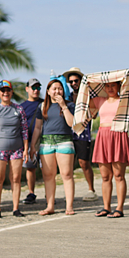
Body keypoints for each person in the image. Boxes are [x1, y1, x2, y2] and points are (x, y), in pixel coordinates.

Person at [72, 69, 129, 217]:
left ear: (119, 86)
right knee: (105, 177)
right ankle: (106, 207)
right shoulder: (100, 100)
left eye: (113, 85)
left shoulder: (124, 100)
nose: (110, 88)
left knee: (119, 175)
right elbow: (83, 96)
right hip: (103, 136)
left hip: (118, 136)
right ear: (103, 87)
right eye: (107, 86)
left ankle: (119, 208)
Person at [29, 79, 76, 215]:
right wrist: (33, 145)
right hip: (46, 143)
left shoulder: (70, 105)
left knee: (67, 174)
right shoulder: (42, 106)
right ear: (48, 92)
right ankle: (50, 206)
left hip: (64, 141)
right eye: (54, 89)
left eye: (59, 89)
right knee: (48, 175)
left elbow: (71, 123)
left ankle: (69, 206)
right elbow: (38, 127)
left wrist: (64, 106)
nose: (57, 91)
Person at [0, 80, 29, 218]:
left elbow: (24, 131)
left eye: (8, 90)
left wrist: (26, 149)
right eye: (2, 91)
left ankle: (16, 208)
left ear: (12, 92)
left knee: (16, 178)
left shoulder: (19, 109)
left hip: (16, 148)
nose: (5, 93)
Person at [63, 67, 98, 202]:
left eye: (75, 81)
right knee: (67, 164)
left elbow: (94, 114)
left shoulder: (89, 95)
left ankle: (91, 189)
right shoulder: (68, 97)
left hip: (83, 133)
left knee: (84, 162)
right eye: (70, 82)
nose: (73, 84)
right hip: (68, 133)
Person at [21, 78, 44, 205]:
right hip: (29, 141)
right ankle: (31, 192)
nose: (36, 90)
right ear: (27, 89)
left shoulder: (45, 103)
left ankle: (49, 193)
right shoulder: (22, 107)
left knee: (47, 168)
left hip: (45, 139)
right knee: (30, 168)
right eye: (33, 88)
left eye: (38, 88)